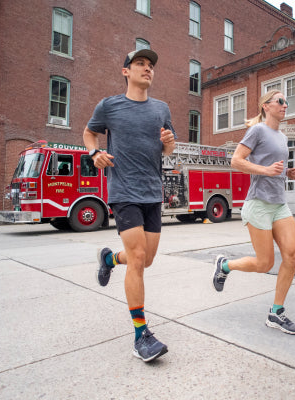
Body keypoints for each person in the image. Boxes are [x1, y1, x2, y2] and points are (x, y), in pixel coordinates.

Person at [83, 48, 176, 362]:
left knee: (145, 259)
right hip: (124, 190)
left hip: (153, 191)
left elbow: (168, 148)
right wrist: (95, 153)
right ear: (126, 71)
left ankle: (109, 260)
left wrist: (169, 143)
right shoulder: (110, 106)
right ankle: (141, 334)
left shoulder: (162, 109)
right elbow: (89, 132)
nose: (147, 69)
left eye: (150, 65)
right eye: (140, 64)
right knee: (137, 259)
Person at [212, 90, 295, 335]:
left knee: (292, 256)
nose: (285, 105)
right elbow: (236, 160)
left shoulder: (282, 137)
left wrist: (287, 174)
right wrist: (266, 170)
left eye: (287, 102)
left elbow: (275, 169)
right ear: (266, 106)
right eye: (280, 101)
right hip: (259, 204)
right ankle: (225, 266)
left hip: (279, 203)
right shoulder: (258, 130)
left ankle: (276, 312)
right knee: (265, 263)